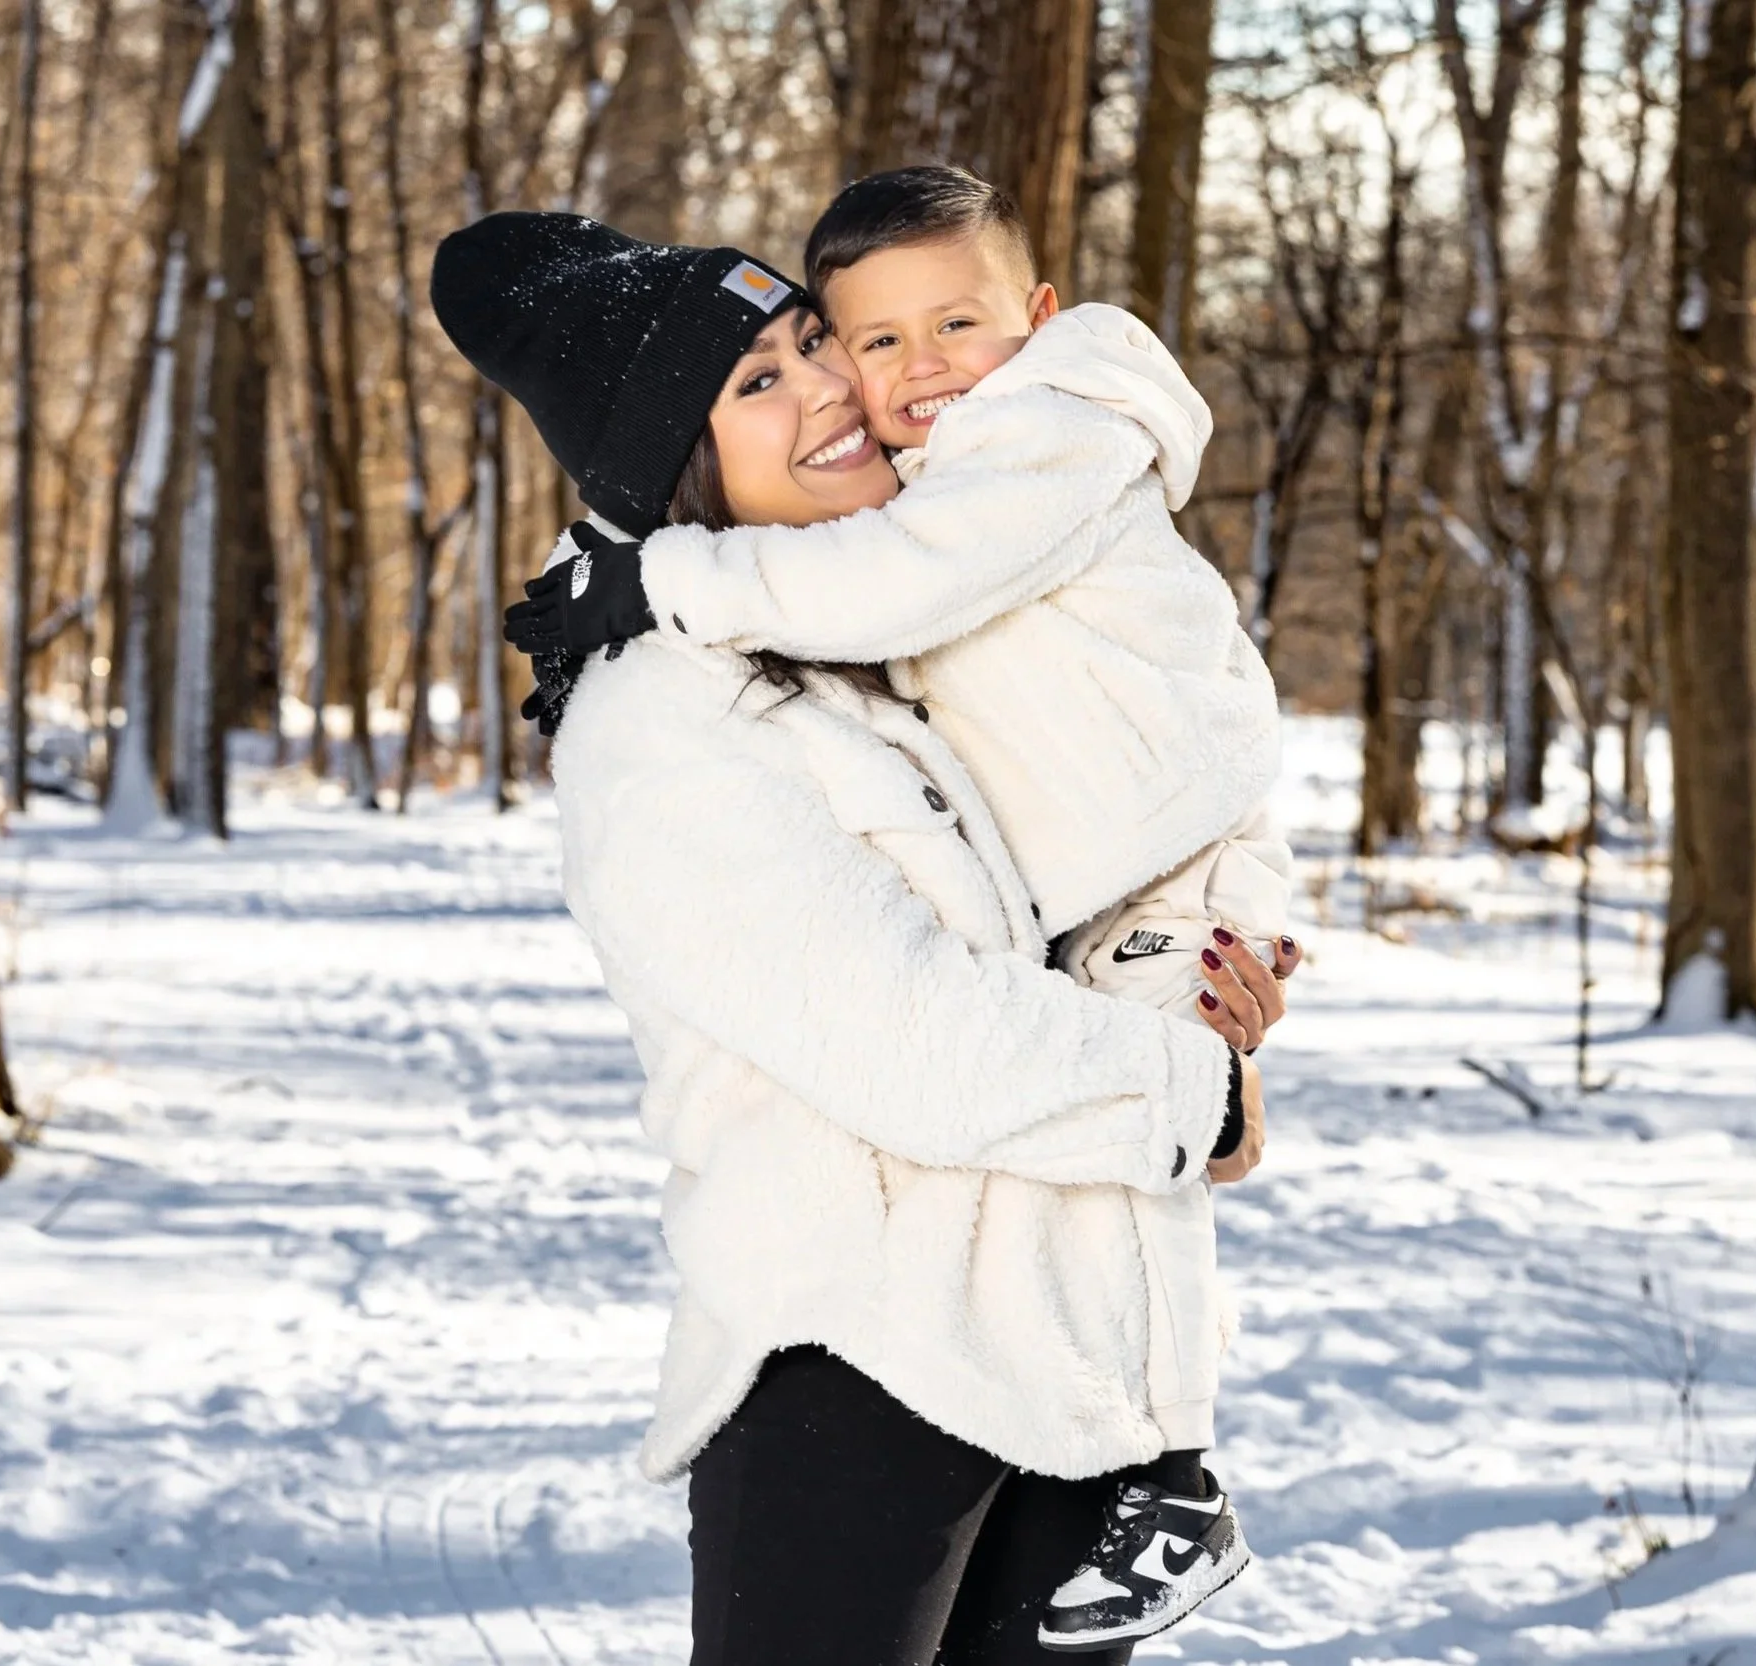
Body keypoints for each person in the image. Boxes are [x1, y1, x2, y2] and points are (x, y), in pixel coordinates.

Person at [428, 211, 1296, 1665]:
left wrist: (1208, 985)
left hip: (1050, 1373)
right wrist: (1185, 1095)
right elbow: (919, 1040)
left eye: (810, 344)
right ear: (677, 462)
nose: (833, 388)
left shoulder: (874, 669)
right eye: (758, 382)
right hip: (861, 1375)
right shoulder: (665, 721)